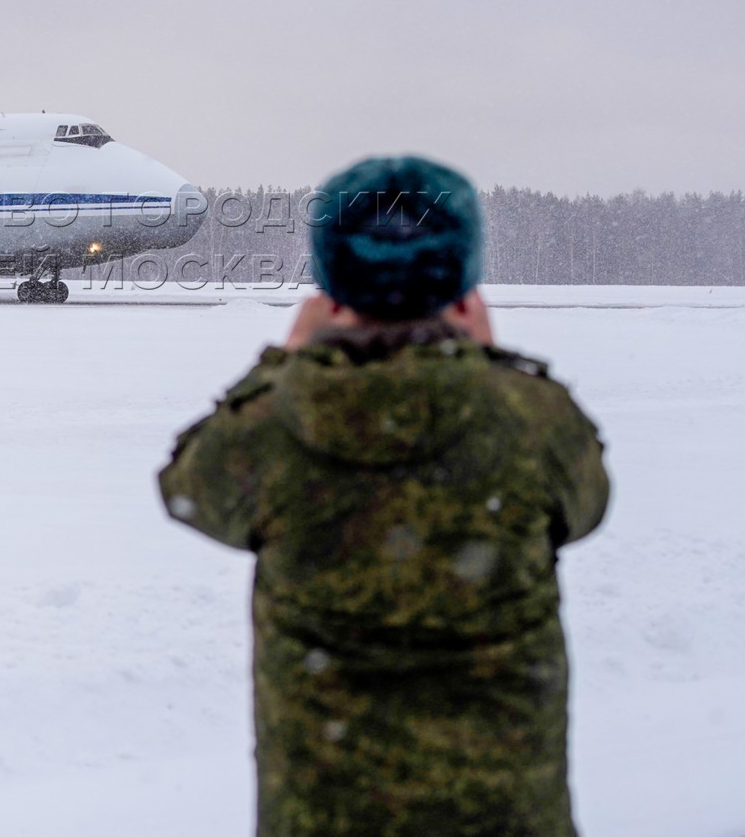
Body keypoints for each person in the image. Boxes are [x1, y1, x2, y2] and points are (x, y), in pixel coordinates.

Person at [159, 155, 610, 837]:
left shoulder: (274, 425)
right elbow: (586, 505)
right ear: (463, 287)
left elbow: (188, 489)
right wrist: (487, 367)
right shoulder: (531, 421)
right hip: (504, 818)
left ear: (330, 289)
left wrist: (286, 362)